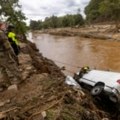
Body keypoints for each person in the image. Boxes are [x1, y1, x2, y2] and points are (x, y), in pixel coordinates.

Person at [0, 22, 22, 90]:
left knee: (2, 69)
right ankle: (20, 79)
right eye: (3, 25)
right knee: (11, 64)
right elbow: (7, 46)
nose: (4, 27)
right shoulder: (1, 33)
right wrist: (13, 54)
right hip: (3, 53)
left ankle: (7, 83)